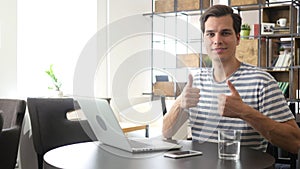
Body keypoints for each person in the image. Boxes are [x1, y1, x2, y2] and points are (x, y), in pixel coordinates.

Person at [162, 4, 300, 154]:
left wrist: (244, 112)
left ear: (238, 38)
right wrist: (179, 104)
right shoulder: (196, 81)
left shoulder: (261, 81)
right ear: (204, 39)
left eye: (225, 33)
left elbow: (295, 143)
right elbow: (166, 133)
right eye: (210, 34)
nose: (217, 40)